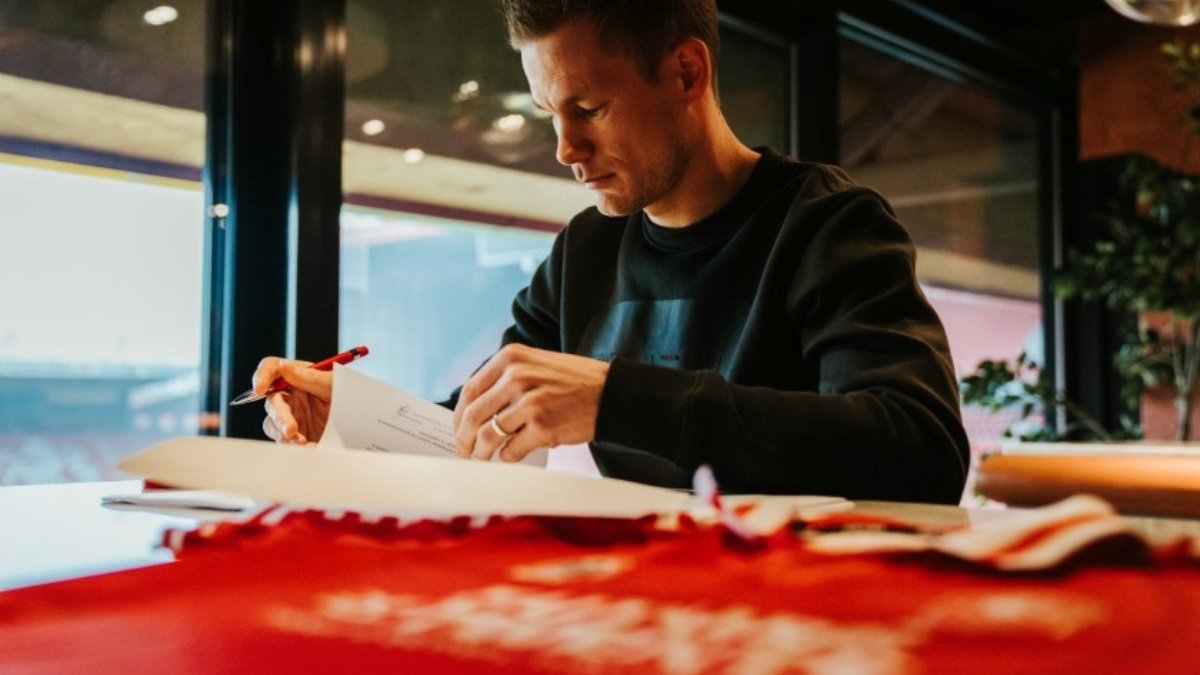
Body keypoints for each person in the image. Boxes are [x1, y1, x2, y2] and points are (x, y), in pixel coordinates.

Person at [255, 0, 970, 504]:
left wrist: (615, 398)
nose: (566, 150)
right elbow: (479, 422)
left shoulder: (827, 225)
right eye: (551, 115)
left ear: (688, 72)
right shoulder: (583, 254)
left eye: (588, 108)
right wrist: (347, 420)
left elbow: (921, 449)